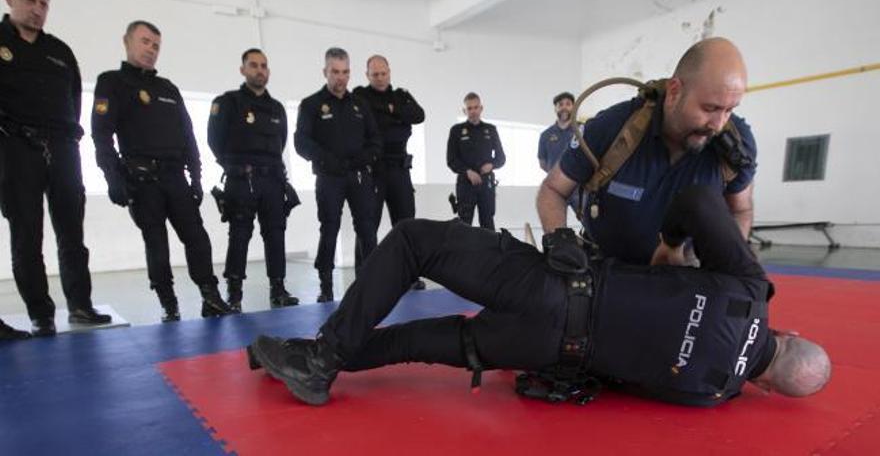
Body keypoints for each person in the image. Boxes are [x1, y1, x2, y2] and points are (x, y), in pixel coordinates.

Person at [246, 186, 831, 407]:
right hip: (540, 348)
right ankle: (309, 357)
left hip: (556, 283)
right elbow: (630, 383)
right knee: (407, 344)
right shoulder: (712, 395)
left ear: (793, 335)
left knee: (412, 241)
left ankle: (320, 360)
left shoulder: (751, 292)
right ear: (769, 385)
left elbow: (702, 202)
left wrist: (669, 249)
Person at [537, 37, 757, 265]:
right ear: (674, 91)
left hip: (686, 272)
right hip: (606, 267)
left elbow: (740, 210)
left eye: (729, 110)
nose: (718, 124)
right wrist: (562, 246)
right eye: (709, 108)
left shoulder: (737, 146)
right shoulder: (612, 127)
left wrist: (725, 267)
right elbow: (553, 189)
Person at [91, 20, 232, 322]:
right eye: (145, 42)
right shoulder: (111, 83)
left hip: (175, 177)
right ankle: (169, 304)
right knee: (156, 243)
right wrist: (113, 177)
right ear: (127, 42)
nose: (150, 49)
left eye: (156, 45)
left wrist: (195, 177)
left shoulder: (167, 88)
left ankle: (211, 295)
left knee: (197, 237)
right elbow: (102, 135)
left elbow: (188, 135)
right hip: (141, 179)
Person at [0, 0, 110, 337]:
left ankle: (80, 306)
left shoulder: (60, 52)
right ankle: (41, 314)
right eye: (29, 0)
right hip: (15, 148)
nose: (36, 9)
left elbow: (74, 100)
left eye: (43, 3)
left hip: (62, 149)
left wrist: (68, 140)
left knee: (72, 235)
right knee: (27, 235)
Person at [207, 48, 299, 312]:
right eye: (254, 65)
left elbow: (280, 143)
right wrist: (234, 167)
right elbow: (215, 140)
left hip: (271, 180)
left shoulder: (277, 108)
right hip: (241, 179)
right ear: (243, 70)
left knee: (276, 234)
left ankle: (278, 289)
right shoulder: (228, 102)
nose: (259, 70)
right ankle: (234, 294)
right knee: (239, 235)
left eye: (263, 66)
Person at [294, 47, 381, 303]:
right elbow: (301, 142)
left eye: (345, 72)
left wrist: (364, 158)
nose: (340, 77)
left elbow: (376, 140)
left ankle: (371, 281)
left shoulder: (360, 105)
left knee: (367, 228)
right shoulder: (311, 105)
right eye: (335, 72)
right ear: (325, 72)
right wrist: (325, 158)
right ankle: (326, 285)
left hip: (358, 177)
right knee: (329, 229)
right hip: (329, 177)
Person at [352, 55, 427, 290]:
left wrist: (390, 110)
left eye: (383, 73)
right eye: (375, 74)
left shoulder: (402, 95)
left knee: (406, 224)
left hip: (399, 169)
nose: (380, 78)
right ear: (367, 75)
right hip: (373, 170)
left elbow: (418, 115)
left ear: (389, 72)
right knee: (367, 225)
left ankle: (409, 274)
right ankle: (365, 276)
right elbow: (366, 118)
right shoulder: (360, 96)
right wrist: (395, 112)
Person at [446, 92, 505, 230]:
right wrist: (467, 172)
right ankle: (463, 252)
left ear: (481, 108)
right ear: (464, 110)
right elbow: (451, 160)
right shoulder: (456, 130)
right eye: (469, 108)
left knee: (488, 224)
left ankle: (489, 252)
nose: (473, 111)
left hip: (486, 183)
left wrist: (492, 165)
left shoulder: (491, 129)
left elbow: (501, 158)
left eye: (475, 107)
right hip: (466, 183)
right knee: (464, 226)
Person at [537, 92, 577, 173]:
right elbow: (543, 164)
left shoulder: (582, 130)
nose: (564, 107)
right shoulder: (545, 135)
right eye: (560, 105)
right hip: (554, 183)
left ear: (573, 108)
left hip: (579, 183)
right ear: (555, 109)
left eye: (568, 104)